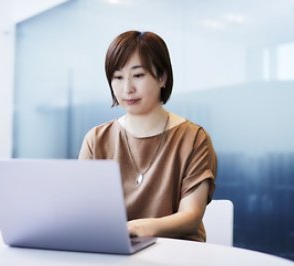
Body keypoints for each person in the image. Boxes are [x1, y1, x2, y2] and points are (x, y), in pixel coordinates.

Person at [78, 30, 217, 242]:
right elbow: (83, 210)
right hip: (115, 254)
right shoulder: (96, 139)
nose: (127, 88)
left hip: (179, 255)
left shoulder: (194, 138)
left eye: (138, 75)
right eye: (117, 77)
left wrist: (136, 228)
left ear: (162, 77)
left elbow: (191, 216)